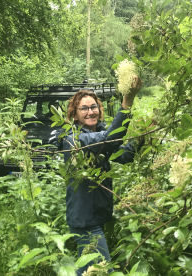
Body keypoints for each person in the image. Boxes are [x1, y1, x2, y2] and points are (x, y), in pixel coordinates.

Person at [56, 76, 143, 275]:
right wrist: (127, 102)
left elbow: (125, 156)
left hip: (96, 217)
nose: (90, 112)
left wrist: (142, 137)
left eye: (93, 107)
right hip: (85, 220)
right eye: (84, 108)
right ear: (74, 115)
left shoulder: (101, 134)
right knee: (104, 271)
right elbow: (109, 140)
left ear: (99, 109)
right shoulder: (73, 140)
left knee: (90, 270)